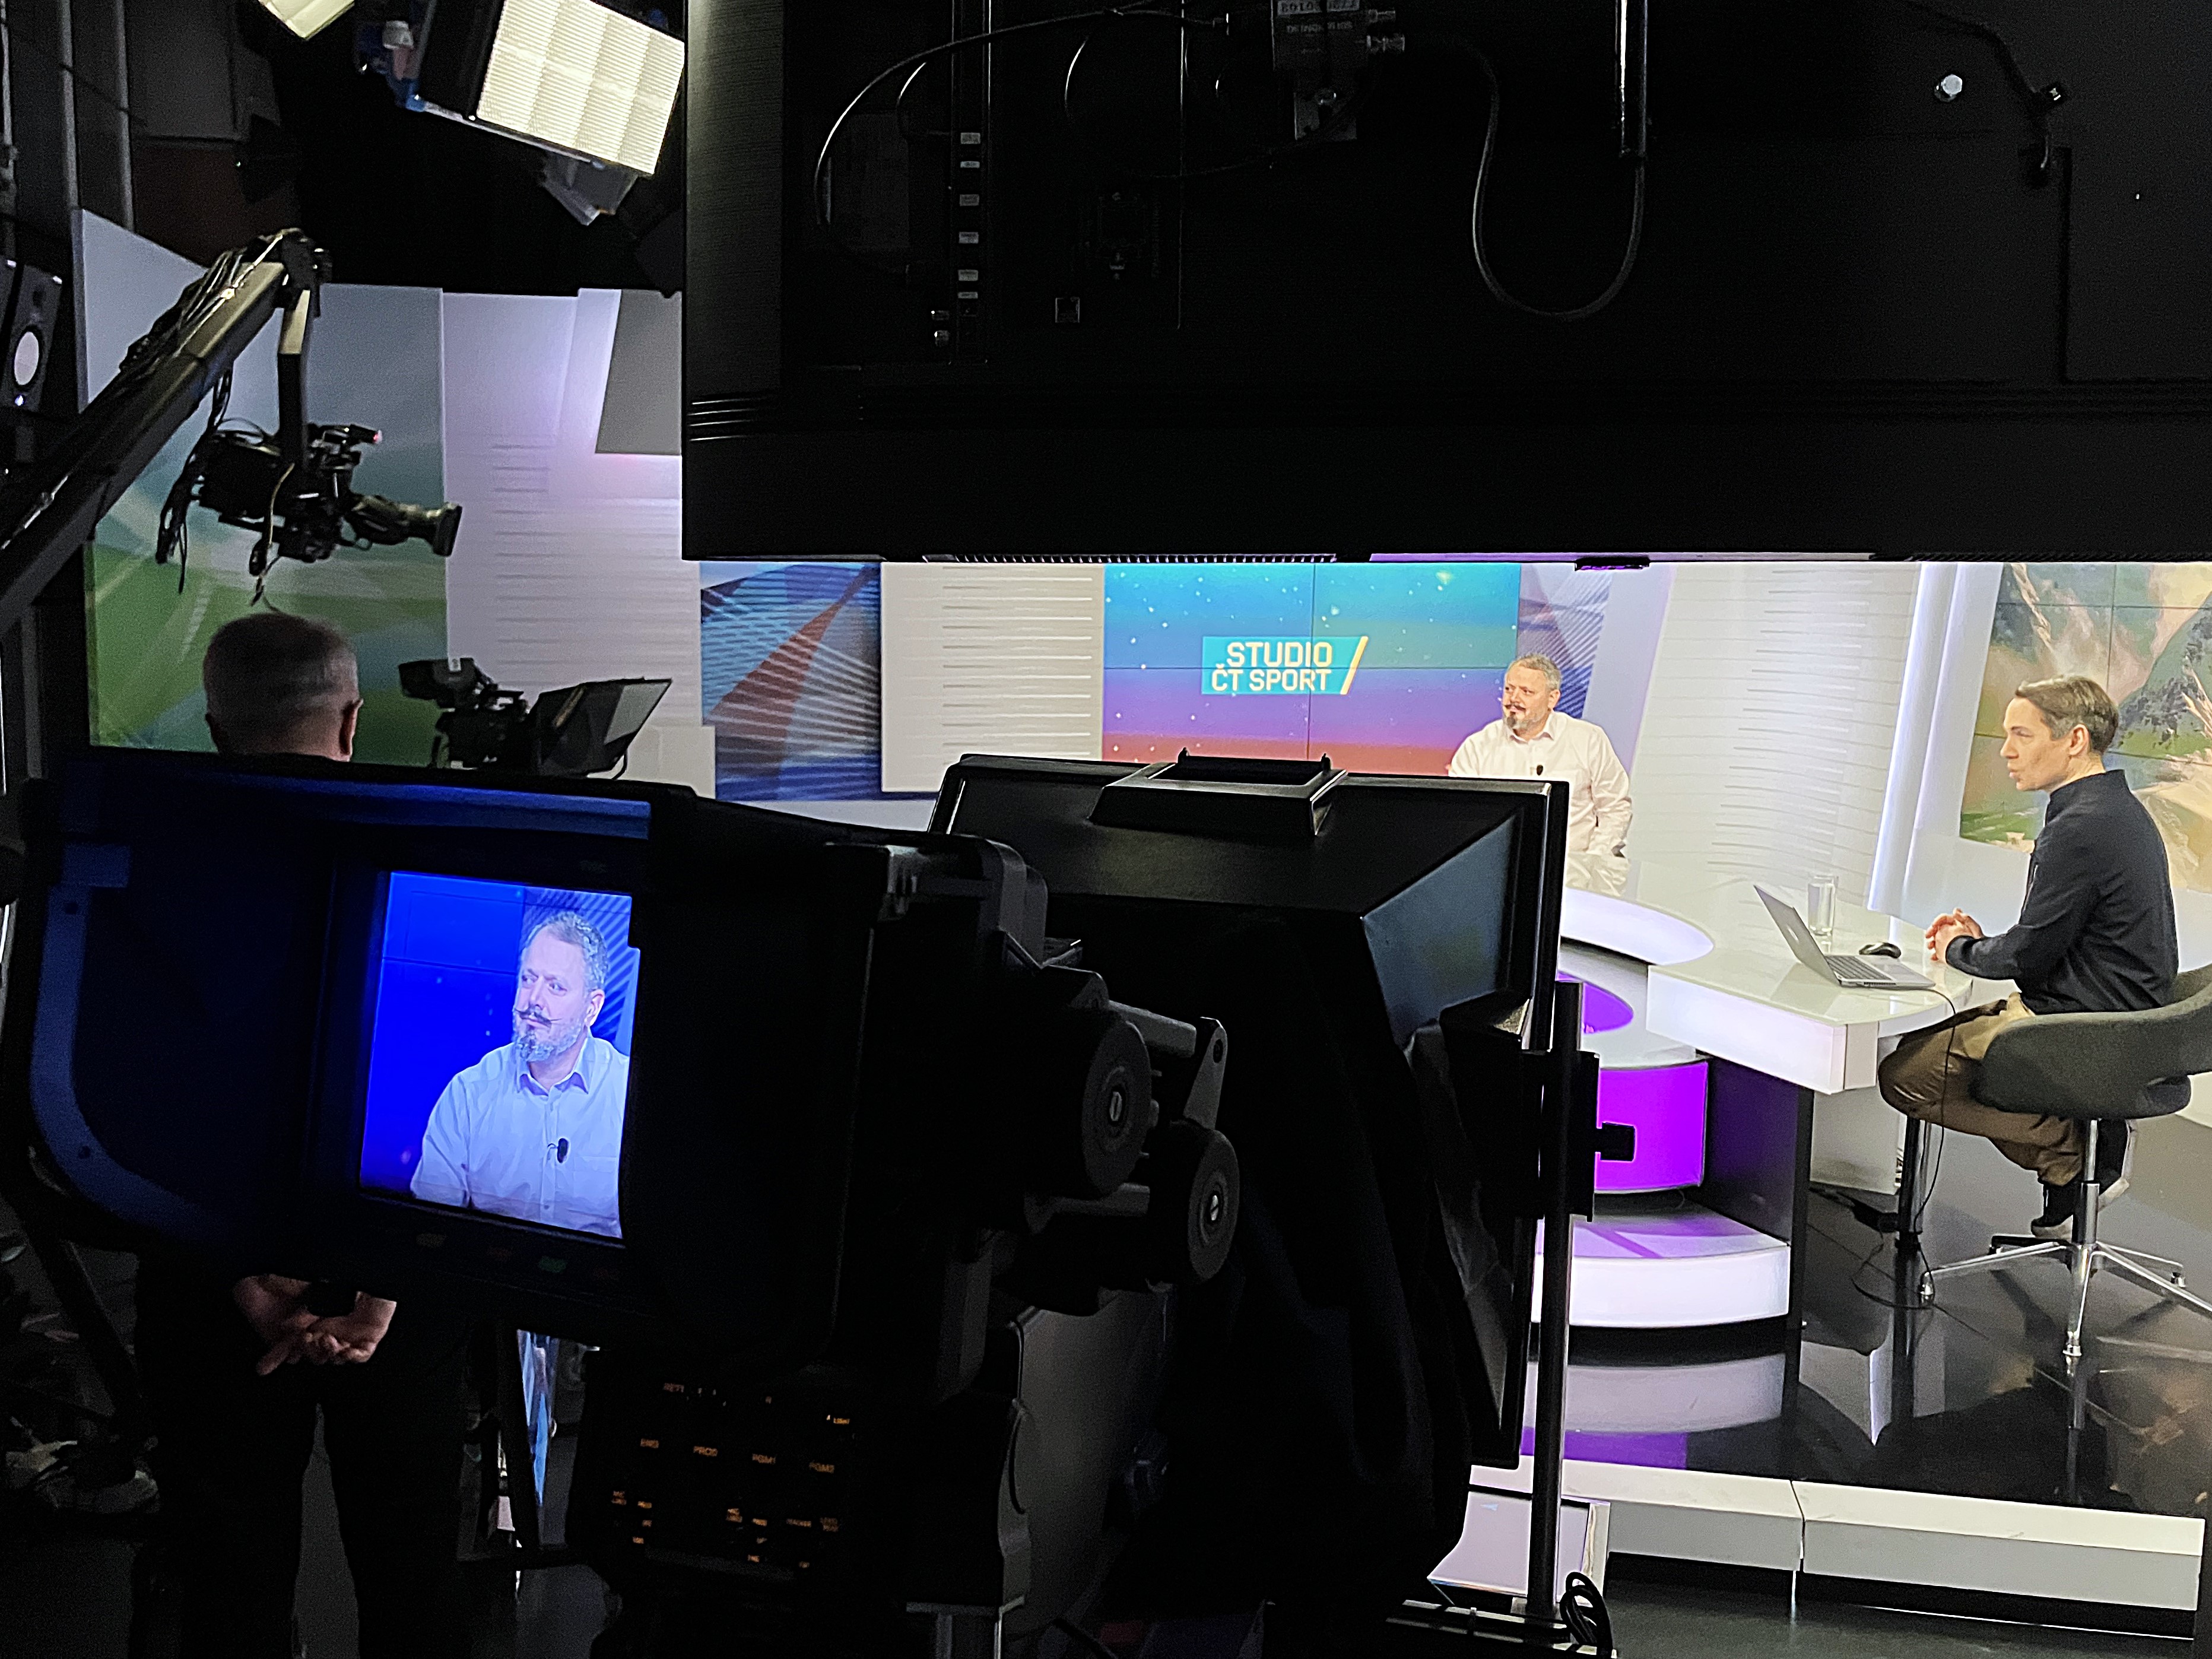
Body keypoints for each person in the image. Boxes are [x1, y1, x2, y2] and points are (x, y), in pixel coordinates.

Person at [134, 611, 472, 1658]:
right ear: (352, 718)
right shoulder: (435, 846)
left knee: (227, 1576)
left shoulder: (142, 857)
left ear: (215, 726)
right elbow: (449, 1091)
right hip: (405, 1270)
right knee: (413, 1569)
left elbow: (130, 1099)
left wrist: (240, 1275)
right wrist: (382, 1286)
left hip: (205, 1274)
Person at [1878, 675, 2178, 1241]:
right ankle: (2073, 1161)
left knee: (1906, 1076)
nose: (2006, 750)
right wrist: (1981, 943)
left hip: (2086, 1024)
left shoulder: (2081, 826)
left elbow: (2026, 955)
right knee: (1930, 1046)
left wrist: (1958, 948)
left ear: (2074, 740)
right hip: (2115, 1012)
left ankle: (2076, 1149)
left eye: (2021, 734)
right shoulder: (2111, 810)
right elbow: (2050, 939)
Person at [412, 911, 629, 1238]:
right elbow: (431, 1227)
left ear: (592, 1008)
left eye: (555, 987)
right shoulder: (469, 1093)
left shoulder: (627, 1094)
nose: (533, 1001)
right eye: (528, 979)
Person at [1447, 652, 1633, 856]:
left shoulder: (1587, 740)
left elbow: (1615, 809)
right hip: (1498, 863)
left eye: (1526, 692)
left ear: (1552, 699)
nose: (1513, 699)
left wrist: (1591, 861)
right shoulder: (1477, 747)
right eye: (1509, 689)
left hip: (1573, 864)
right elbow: (1460, 815)